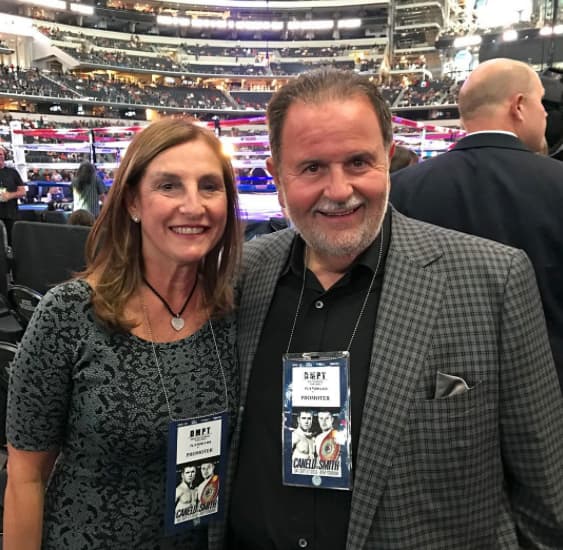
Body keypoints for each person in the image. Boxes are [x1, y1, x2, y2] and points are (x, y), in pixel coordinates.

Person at [217, 69, 563, 550]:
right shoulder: (240, 275)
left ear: (387, 156)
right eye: (312, 168)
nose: (339, 190)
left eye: (358, 162)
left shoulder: (493, 278)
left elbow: (545, 498)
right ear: (276, 175)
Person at [4, 118, 242, 550]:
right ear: (133, 201)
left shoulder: (232, 310)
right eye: (169, 186)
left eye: (209, 186)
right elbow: (26, 478)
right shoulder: (69, 313)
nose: (194, 206)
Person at [390, 58, 563, 391]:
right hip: (550, 386)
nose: (545, 114)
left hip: (435, 392)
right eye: (541, 102)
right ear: (519, 106)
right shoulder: (558, 183)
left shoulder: (402, 189)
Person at [0, 145, 26, 244]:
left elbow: (23, 192)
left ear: (4, 156)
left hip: (10, 215)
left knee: (12, 243)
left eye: (1, 154)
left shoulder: (12, 172)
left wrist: (10, 195)